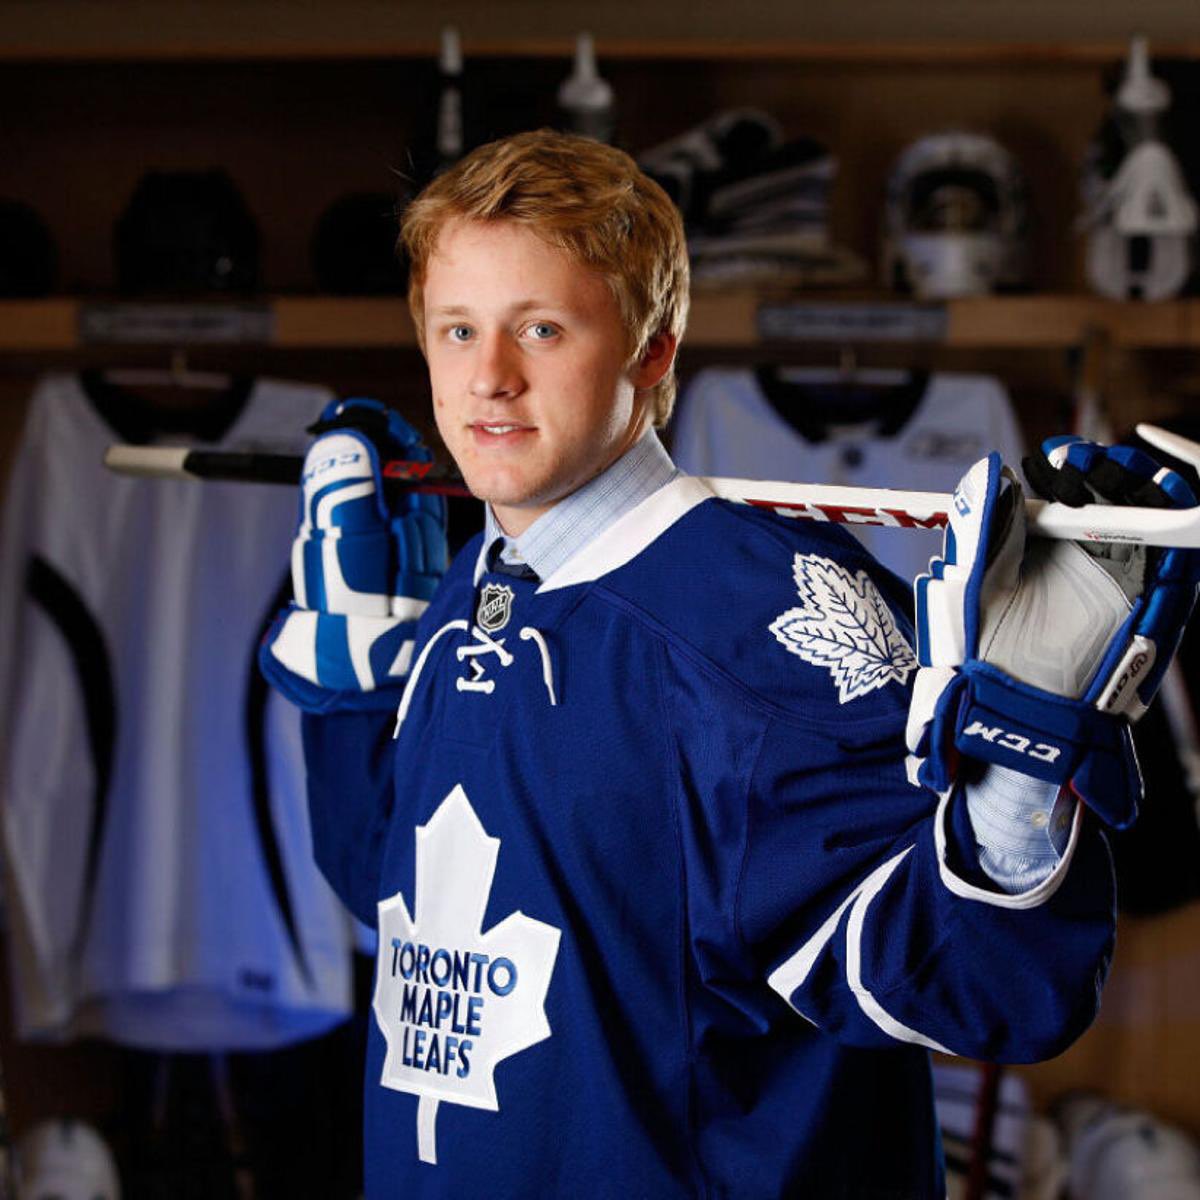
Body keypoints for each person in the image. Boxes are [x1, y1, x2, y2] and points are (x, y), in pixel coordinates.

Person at [260, 130, 1200, 1197]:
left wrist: (1015, 781)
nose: (489, 379)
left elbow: (989, 991)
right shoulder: (480, 582)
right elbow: (408, 908)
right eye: (458, 329)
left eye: (542, 329)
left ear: (653, 350)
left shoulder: (767, 623)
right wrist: (349, 692)